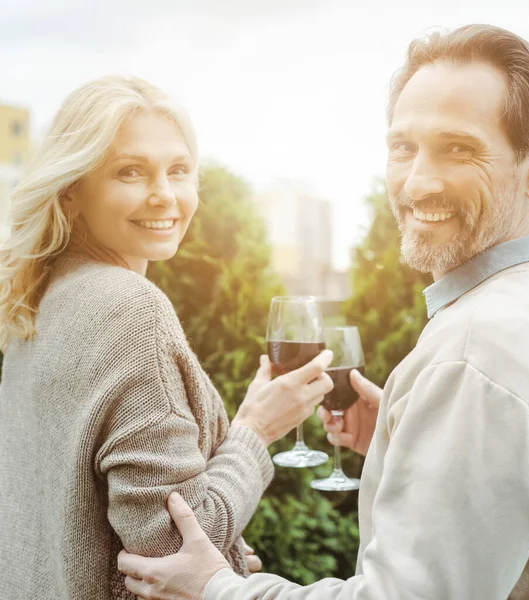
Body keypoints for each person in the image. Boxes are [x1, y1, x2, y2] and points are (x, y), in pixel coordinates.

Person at [118, 24, 529, 600]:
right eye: (403, 147)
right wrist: (409, 448)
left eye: (458, 149)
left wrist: (218, 588)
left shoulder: (476, 352)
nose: (417, 181)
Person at [0, 75, 334, 600]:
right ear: (71, 192)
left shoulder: (35, 301)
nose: (164, 195)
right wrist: (255, 429)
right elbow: (174, 547)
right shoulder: (130, 308)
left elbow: (71, 515)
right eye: (129, 171)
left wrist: (227, 560)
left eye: (179, 170)